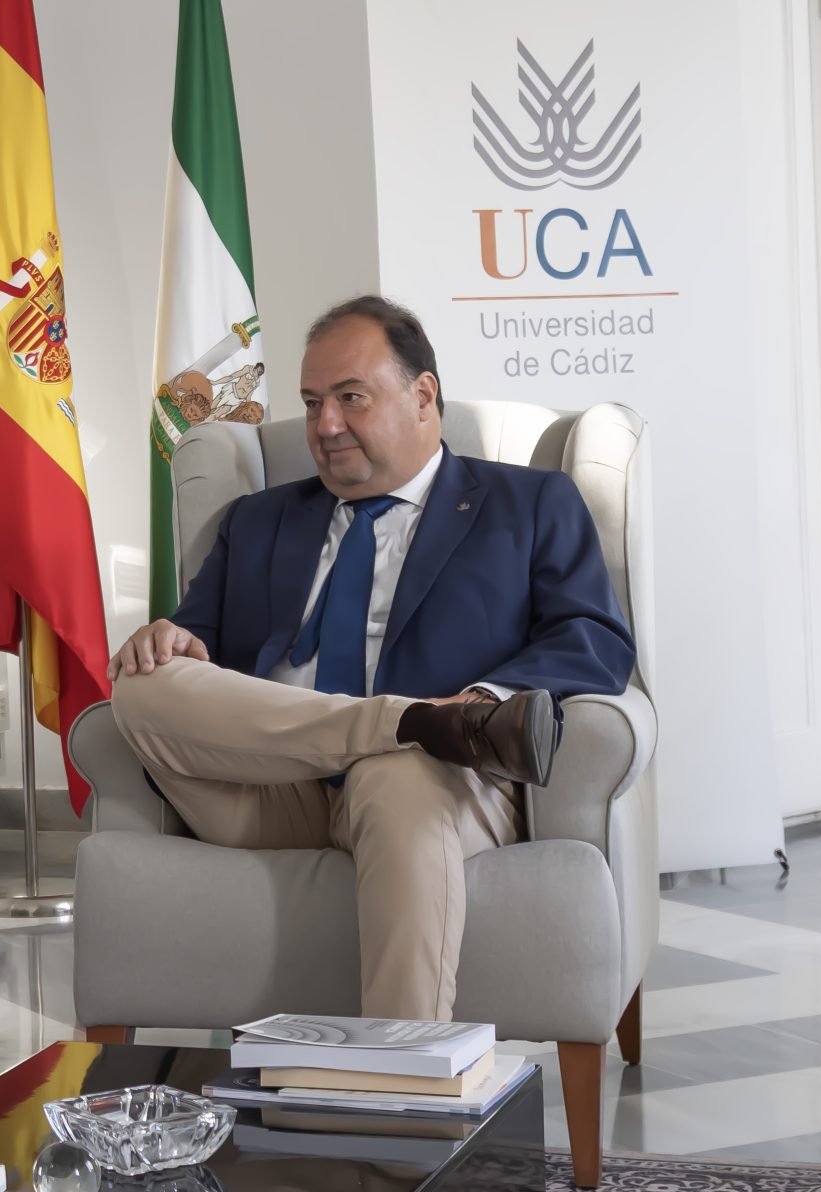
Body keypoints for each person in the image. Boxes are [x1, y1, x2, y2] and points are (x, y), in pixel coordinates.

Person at [109, 295, 634, 1022]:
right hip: (268, 786)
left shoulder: (530, 503)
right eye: (313, 401)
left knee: (399, 775)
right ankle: (405, 720)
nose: (325, 425)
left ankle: (401, 1085)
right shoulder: (258, 520)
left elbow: (595, 638)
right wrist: (166, 637)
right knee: (139, 687)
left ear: (424, 396)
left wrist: (480, 696)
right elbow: (194, 640)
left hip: (431, 783)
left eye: (351, 398)